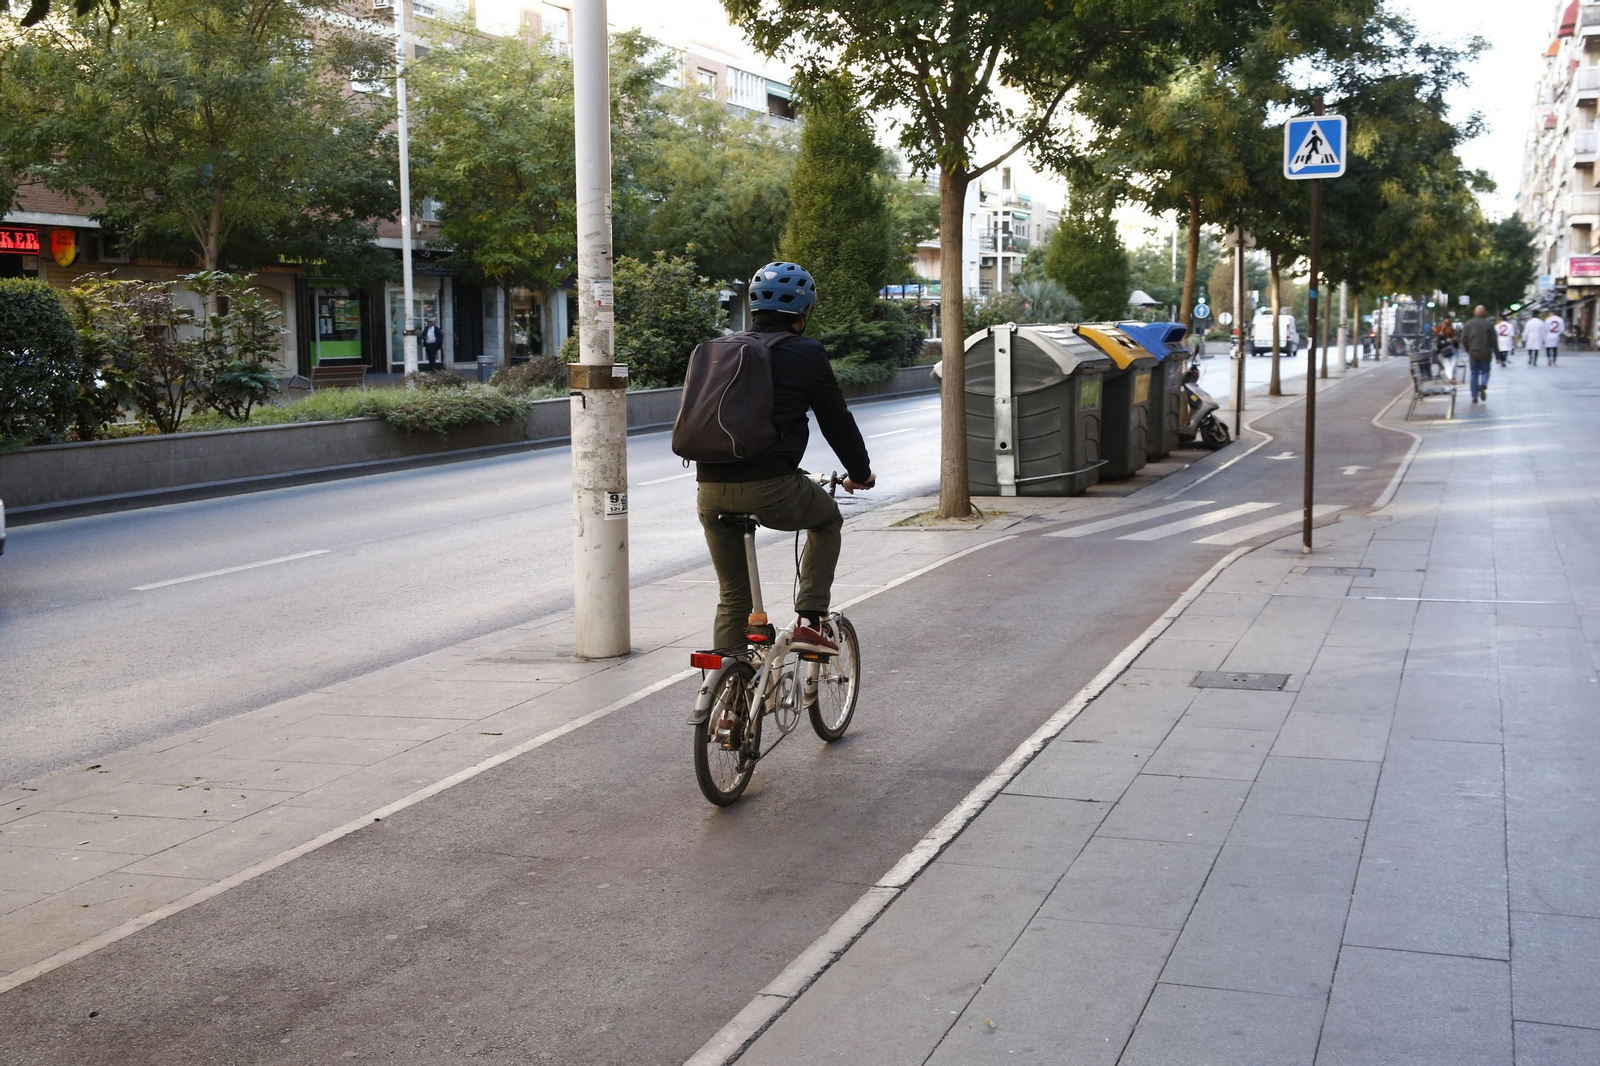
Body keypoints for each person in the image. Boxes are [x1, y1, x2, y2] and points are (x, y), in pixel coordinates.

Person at [694, 262, 875, 657]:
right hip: (772, 489)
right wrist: (861, 473)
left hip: (710, 489)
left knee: (732, 596)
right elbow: (835, 420)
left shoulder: (721, 350)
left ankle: (727, 705)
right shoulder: (805, 352)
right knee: (827, 518)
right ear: (803, 311)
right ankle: (811, 619)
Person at [1460, 304, 1495, 405]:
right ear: (1484, 313)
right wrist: (1498, 355)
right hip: (1486, 353)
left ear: (1475, 313)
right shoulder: (1489, 324)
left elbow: (1463, 339)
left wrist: (1468, 349)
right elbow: (1494, 340)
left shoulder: (1468, 324)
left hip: (1473, 352)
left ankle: (1474, 396)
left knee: (1474, 374)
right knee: (1485, 371)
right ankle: (1483, 385)